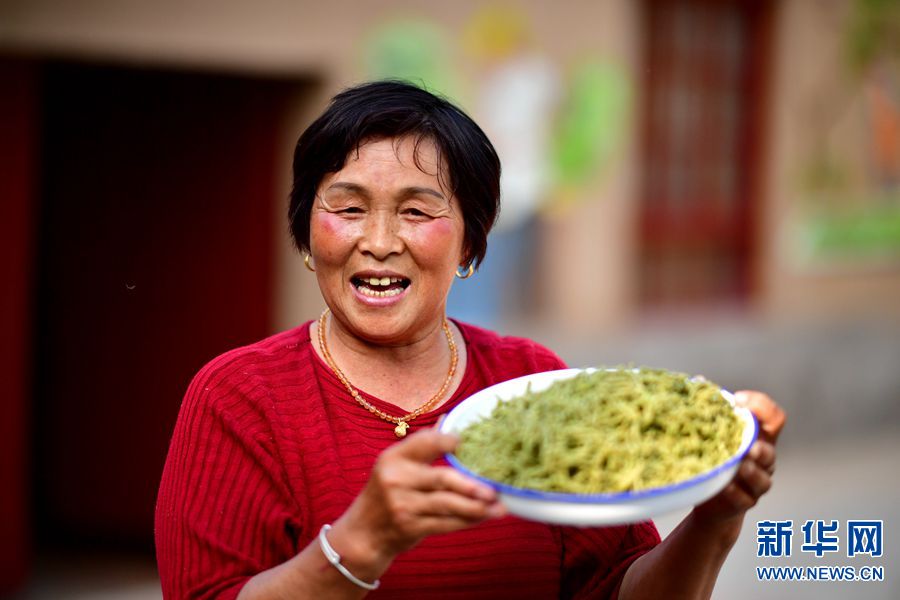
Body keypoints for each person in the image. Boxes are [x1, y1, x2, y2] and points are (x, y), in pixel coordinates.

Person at [155, 80, 786, 599]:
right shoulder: (238, 398)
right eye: (347, 209)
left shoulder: (530, 382)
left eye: (416, 211)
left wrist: (715, 516)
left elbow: (618, 591)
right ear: (305, 237)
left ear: (471, 244)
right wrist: (360, 545)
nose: (378, 241)